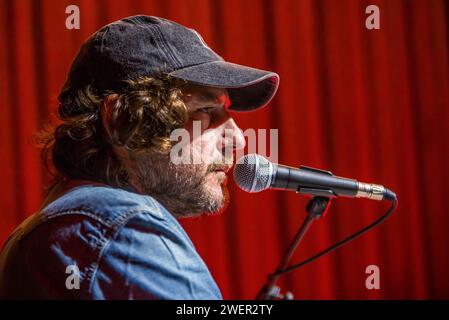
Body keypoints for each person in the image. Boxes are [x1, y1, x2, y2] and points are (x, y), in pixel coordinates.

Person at [0, 15, 279, 299]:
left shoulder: (62, 226)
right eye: (206, 109)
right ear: (122, 120)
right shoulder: (121, 226)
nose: (238, 139)